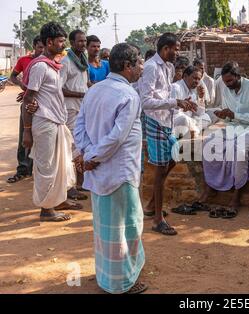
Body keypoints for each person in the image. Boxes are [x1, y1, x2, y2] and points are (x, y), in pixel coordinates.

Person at [74, 43, 147, 294]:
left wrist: (87, 154)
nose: (141, 67)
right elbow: (117, 137)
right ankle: (122, 282)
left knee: (105, 226)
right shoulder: (128, 95)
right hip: (118, 172)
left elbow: (79, 126)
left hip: (100, 170)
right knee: (125, 227)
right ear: (127, 66)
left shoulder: (95, 90)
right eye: (138, 62)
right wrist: (91, 156)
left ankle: (108, 275)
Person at [21, 22, 83, 222]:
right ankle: (47, 210)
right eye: (60, 42)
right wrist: (27, 131)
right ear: (49, 42)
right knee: (46, 167)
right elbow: (28, 99)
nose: (63, 45)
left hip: (56, 121)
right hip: (45, 122)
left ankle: (58, 200)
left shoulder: (53, 65)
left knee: (60, 165)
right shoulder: (40, 66)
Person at [139, 32, 197, 236]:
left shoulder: (170, 67)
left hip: (167, 120)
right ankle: (157, 219)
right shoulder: (151, 67)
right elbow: (145, 101)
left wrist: (182, 103)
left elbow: (166, 96)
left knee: (173, 158)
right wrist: (175, 103)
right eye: (176, 48)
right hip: (154, 120)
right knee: (161, 167)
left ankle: (151, 206)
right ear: (166, 49)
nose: (178, 52)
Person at [196, 61, 249, 218]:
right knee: (208, 143)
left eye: (230, 81)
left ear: (238, 76)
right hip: (232, 128)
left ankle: (236, 194)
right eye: (225, 81)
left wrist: (235, 115)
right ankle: (210, 186)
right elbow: (229, 117)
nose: (227, 85)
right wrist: (225, 115)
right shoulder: (225, 87)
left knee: (240, 151)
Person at [7, 36, 44, 184]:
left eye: (44, 48)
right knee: (25, 135)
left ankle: (37, 169)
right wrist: (23, 86)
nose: (42, 51)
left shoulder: (50, 63)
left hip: (43, 104)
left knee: (41, 137)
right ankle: (23, 169)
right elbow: (13, 76)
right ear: (34, 46)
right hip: (28, 103)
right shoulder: (24, 60)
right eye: (40, 47)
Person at [60, 29, 89, 201]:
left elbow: (83, 84)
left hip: (82, 110)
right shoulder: (66, 61)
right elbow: (60, 88)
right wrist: (81, 95)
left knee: (80, 147)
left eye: (84, 41)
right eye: (80, 41)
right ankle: (69, 187)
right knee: (71, 148)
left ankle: (78, 183)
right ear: (71, 43)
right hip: (70, 110)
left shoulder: (82, 61)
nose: (83, 44)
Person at [171, 66, 212, 137]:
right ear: (185, 76)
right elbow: (173, 114)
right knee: (184, 120)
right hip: (177, 123)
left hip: (190, 122)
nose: (197, 82)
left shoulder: (192, 92)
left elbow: (200, 112)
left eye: (199, 79)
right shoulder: (175, 88)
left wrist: (201, 97)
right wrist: (183, 108)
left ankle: (193, 131)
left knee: (207, 116)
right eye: (195, 78)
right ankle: (194, 131)